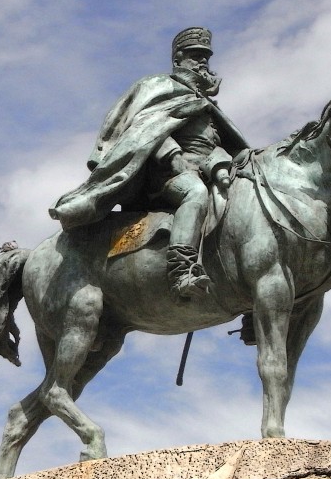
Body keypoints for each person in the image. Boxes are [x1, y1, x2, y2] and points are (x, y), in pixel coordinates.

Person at [49, 27, 250, 299]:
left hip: (207, 169)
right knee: (195, 194)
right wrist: (173, 155)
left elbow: (219, 145)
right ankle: (182, 270)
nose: (202, 62)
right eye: (194, 56)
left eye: (205, 57)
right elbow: (142, 130)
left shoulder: (205, 103)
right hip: (165, 174)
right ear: (178, 60)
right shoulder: (158, 86)